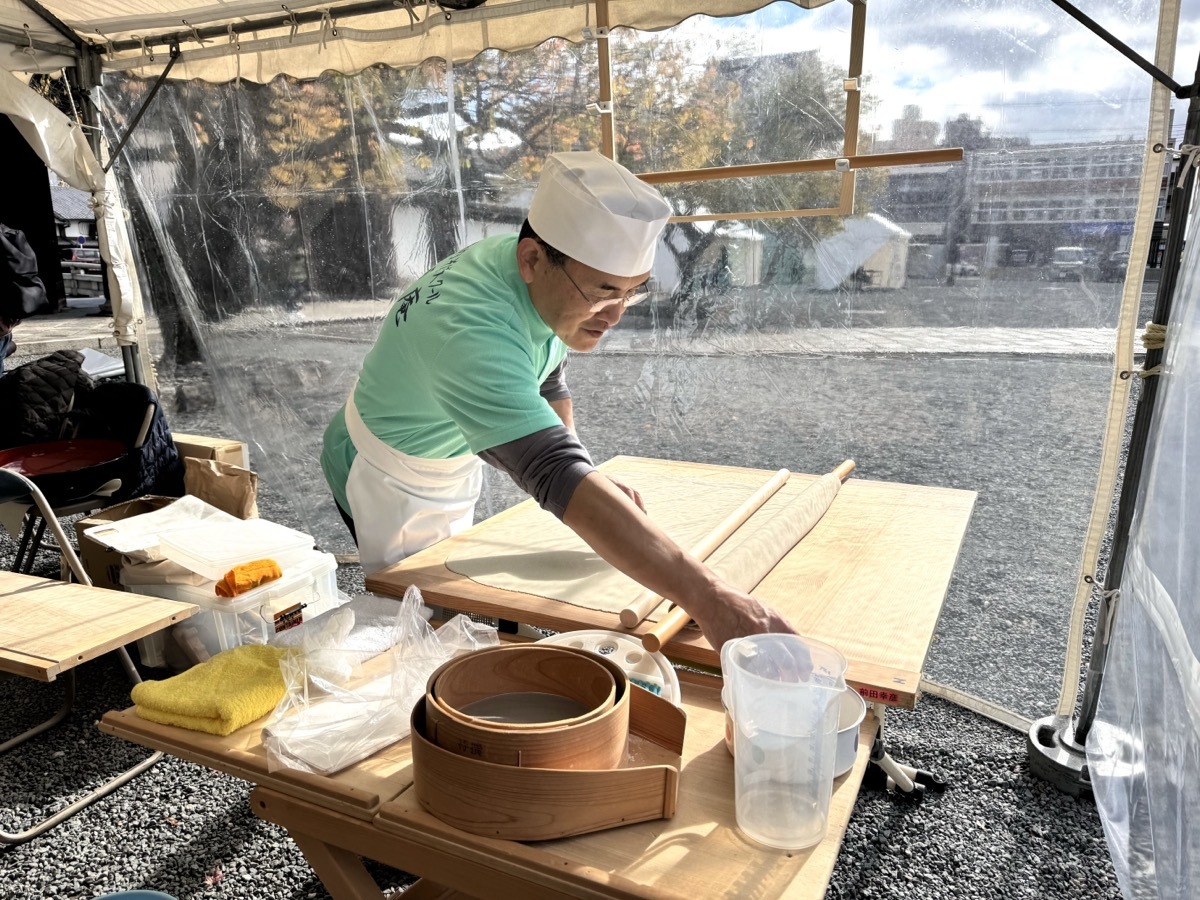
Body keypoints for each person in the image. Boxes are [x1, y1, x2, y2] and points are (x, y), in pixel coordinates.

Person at [321, 151, 793, 651]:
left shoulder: (540, 278)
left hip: (440, 449)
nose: (613, 317)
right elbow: (551, 470)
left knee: (449, 596)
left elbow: (546, 378)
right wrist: (709, 596)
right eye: (602, 292)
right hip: (386, 470)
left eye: (631, 294)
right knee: (414, 614)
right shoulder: (470, 332)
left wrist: (587, 471)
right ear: (532, 260)